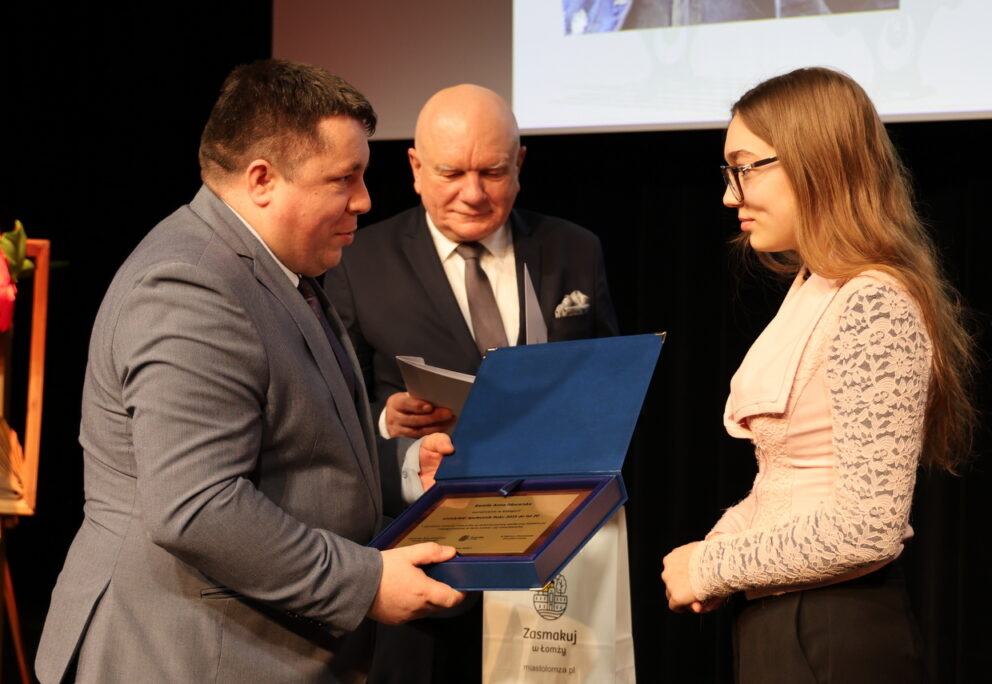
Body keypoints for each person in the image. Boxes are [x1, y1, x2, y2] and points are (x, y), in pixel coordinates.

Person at [35, 59, 464, 684]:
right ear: (262, 180)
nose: (365, 200)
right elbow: (198, 506)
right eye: (343, 179)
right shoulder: (190, 286)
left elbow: (290, 445)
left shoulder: (275, 270)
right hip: (181, 657)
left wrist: (401, 468)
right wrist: (365, 582)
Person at [661, 67, 976, 683]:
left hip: (833, 630)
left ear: (815, 162)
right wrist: (720, 542)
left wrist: (713, 566)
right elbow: (788, 478)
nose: (730, 195)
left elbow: (869, 526)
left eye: (744, 169)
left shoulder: (875, 302)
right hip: (789, 621)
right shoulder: (817, 288)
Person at [324, 84, 619, 682]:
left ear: (520, 164)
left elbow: (608, 392)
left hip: (552, 555)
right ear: (414, 168)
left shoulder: (574, 249)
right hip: (425, 562)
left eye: (493, 171)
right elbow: (328, 412)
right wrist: (386, 420)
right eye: (451, 173)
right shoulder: (357, 260)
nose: (474, 193)